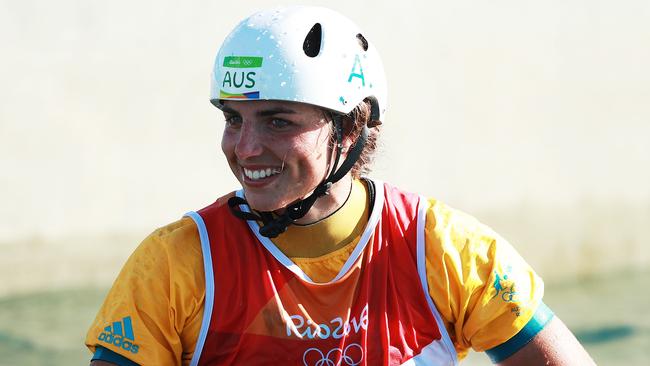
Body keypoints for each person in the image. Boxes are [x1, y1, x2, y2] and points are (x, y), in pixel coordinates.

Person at [86, 6, 595, 366]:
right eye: (233, 119)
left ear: (352, 128)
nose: (244, 148)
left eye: (277, 121)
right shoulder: (173, 264)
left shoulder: (449, 251)